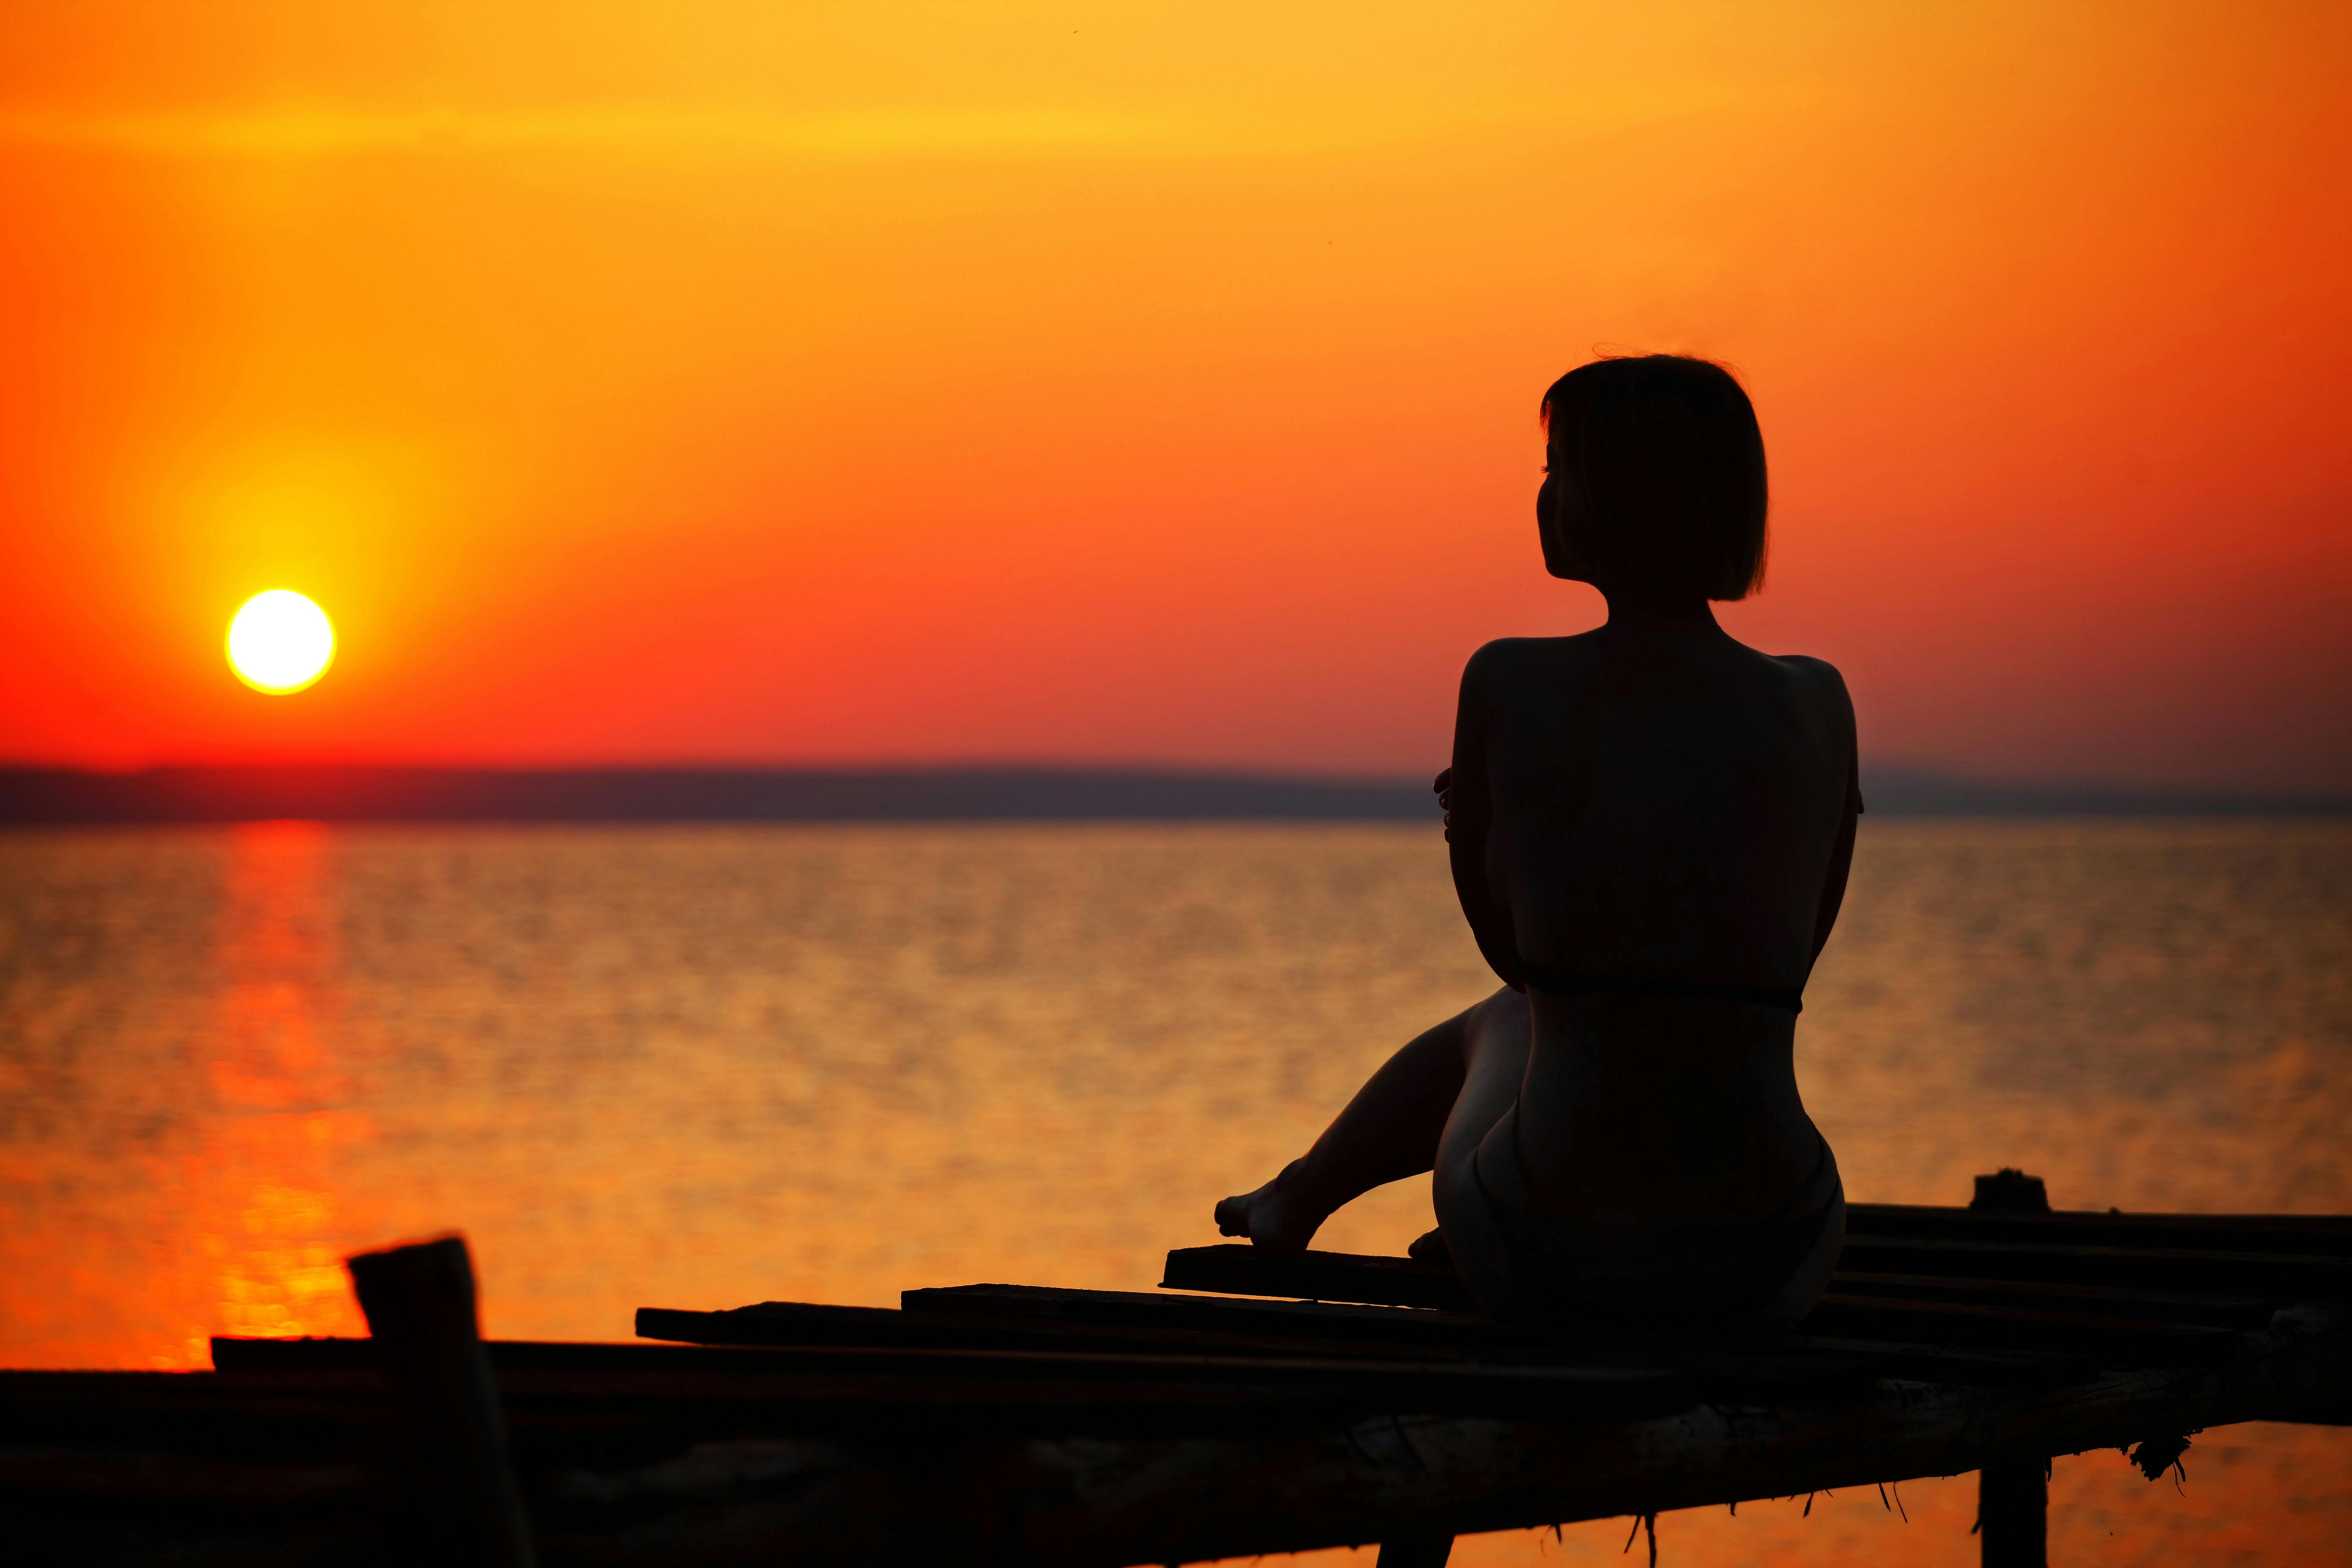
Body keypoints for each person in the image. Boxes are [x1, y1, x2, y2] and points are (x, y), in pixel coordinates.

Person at [1215, 355, 1860, 1334]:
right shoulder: (1821, 700)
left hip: (1547, 1250)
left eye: (1558, 469)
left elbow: (1511, 954)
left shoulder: (1511, 682)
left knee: (1507, 1021)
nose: (1543, 496)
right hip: (1779, 1250)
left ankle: (1297, 1200)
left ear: (1610, 497)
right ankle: (1318, 1195)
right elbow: (1794, 951)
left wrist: (1496, 833)